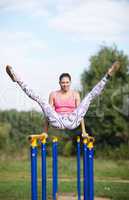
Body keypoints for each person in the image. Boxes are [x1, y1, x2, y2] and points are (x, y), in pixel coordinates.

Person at [6, 61, 120, 135]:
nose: (65, 84)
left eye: (67, 82)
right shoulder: (53, 94)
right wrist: (45, 132)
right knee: (40, 100)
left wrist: (83, 132)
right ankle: (17, 79)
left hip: (72, 121)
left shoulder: (75, 94)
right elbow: (48, 113)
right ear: (59, 83)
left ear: (70, 83)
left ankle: (107, 76)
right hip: (57, 120)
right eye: (63, 82)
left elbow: (81, 113)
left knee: (88, 98)